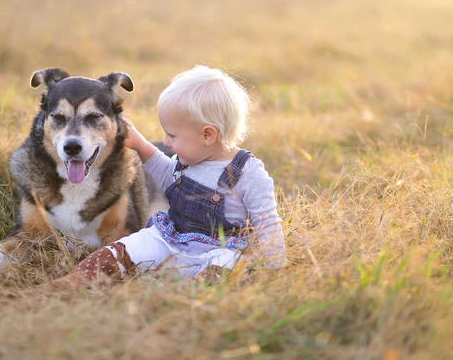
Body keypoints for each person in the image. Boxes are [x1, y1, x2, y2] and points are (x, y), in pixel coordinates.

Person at [52, 65, 286, 289]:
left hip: (216, 251)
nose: (166, 143)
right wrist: (141, 146)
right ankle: (79, 279)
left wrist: (274, 267)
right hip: (171, 240)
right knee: (131, 244)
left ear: (207, 135)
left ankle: (189, 291)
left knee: (227, 264)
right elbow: (164, 172)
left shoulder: (248, 173)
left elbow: (266, 221)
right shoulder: (190, 159)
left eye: (172, 136)